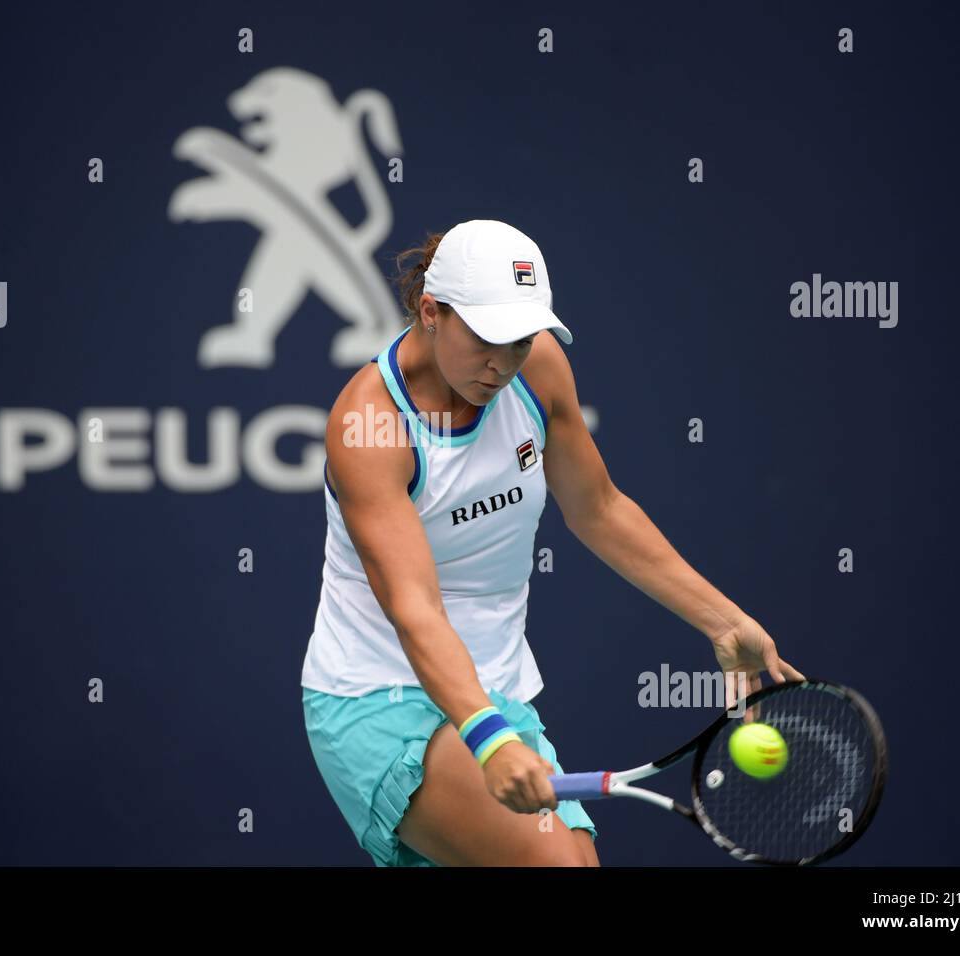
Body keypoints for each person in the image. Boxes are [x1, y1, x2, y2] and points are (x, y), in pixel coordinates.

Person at [300, 219, 803, 866]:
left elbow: (598, 509)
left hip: (495, 692)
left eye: (520, 339)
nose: (503, 363)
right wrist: (488, 739)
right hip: (378, 698)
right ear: (431, 312)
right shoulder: (369, 425)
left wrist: (724, 622)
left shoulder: (536, 371)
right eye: (487, 338)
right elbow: (414, 608)